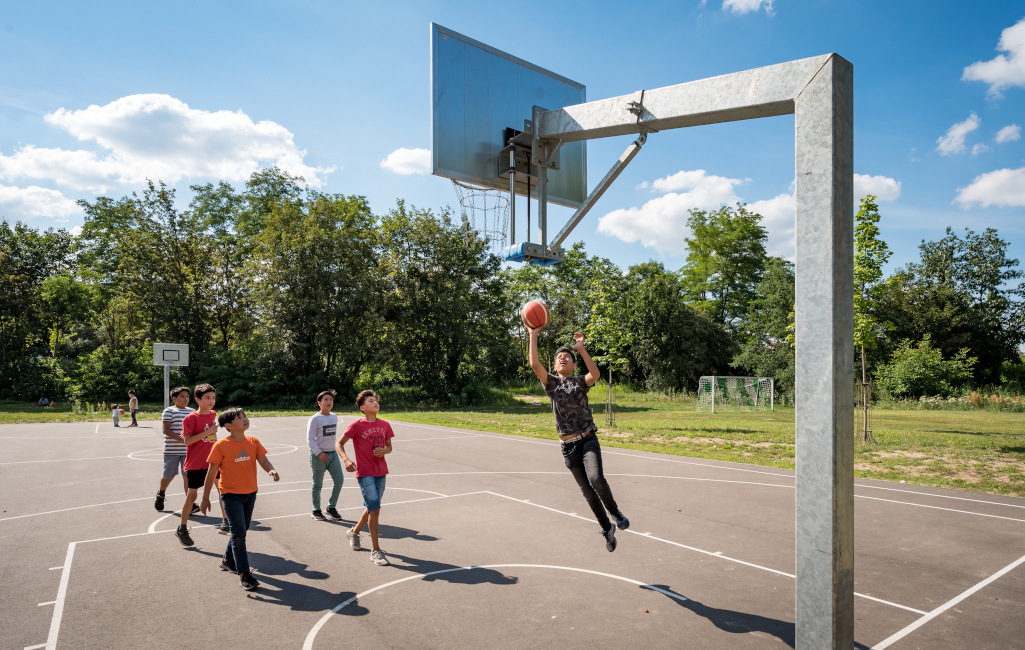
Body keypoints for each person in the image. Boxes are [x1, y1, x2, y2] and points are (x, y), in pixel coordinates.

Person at [528, 328, 628, 552]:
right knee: (587, 492)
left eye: (567, 357)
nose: (563, 358)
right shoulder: (551, 383)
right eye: (559, 358)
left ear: (574, 365)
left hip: (587, 439)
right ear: (554, 366)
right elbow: (534, 364)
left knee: (596, 477)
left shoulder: (581, 382)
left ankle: (614, 511)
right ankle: (607, 529)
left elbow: (596, 374)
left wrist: (581, 349)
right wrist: (533, 333)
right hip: (568, 448)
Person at [201, 407, 279, 591]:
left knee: (241, 530)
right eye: (239, 418)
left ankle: (228, 560)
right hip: (230, 494)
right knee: (238, 533)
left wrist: (271, 470)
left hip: (250, 492)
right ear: (228, 426)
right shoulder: (220, 445)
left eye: (245, 416)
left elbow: (263, 460)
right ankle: (244, 574)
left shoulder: (253, 441)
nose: (245, 419)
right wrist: (205, 498)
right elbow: (211, 473)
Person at [336, 390, 393, 566]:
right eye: (371, 401)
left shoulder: (385, 425)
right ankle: (376, 551)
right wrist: (345, 459)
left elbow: (389, 446)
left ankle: (354, 532)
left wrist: (385, 451)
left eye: (376, 400)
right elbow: (339, 443)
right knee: (375, 510)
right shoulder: (356, 425)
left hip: (381, 471)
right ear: (362, 407)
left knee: (371, 507)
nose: (375, 402)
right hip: (365, 472)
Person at [175, 383, 228, 545]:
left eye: (213, 398)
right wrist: (208, 432)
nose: (211, 401)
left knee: (223, 490)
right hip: (196, 463)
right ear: (197, 400)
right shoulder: (190, 418)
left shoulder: (213, 414)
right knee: (192, 496)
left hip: (214, 462)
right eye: (207, 398)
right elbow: (188, 441)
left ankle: (226, 522)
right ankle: (182, 528)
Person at [307, 389, 345, 521]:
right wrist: (319, 453)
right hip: (319, 456)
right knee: (317, 483)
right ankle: (316, 510)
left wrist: (330, 451)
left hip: (333, 454)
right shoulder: (315, 419)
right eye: (326, 400)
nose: (329, 402)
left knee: (339, 480)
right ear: (319, 403)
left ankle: (331, 507)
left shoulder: (334, 416)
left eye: (331, 400)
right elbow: (310, 439)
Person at [156, 387, 194, 512]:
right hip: (171, 450)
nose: (185, 399)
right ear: (174, 398)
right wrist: (183, 440)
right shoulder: (169, 411)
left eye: (187, 396)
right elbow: (166, 430)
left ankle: (190, 504)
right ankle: (161, 493)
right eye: (182, 396)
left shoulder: (192, 412)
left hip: (188, 451)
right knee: (168, 475)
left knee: (187, 476)